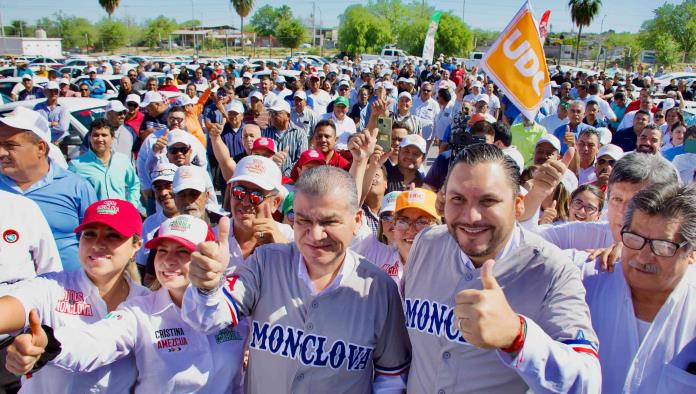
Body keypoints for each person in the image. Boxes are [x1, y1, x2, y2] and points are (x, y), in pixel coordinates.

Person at [182, 165, 411, 392]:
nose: (315, 235)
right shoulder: (265, 262)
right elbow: (206, 319)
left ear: (357, 220)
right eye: (303, 221)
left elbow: (391, 377)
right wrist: (206, 287)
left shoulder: (379, 289)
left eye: (329, 222)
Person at [404, 144, 601, 392]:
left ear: (518, 204)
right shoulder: (427, 243)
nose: (471, 216)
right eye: (458, 199)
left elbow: (587, 382)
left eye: (488, 201)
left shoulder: (552, 270)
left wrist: (517, 337)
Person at [7, 214, 248, 393]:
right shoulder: (141, 311)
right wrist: (49, 343)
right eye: (162, 250)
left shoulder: (237, 305)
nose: (168, 261)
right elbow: (96, 342)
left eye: (183, 252)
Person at [0, 199, 149, 393]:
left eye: (113, 235)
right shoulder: (51, 287)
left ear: (136, 245)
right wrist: (27, 349)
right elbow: (12, 307)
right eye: (89, 234)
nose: (97, 243)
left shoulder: (146, 303)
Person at [583, 183, 696, 393]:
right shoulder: (585, 284)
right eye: (634, 239)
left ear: (691, 253)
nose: (643, 257)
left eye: (663, 246)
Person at [0, 107, 97, 271]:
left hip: (68, 291)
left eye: (10, 145)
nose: (1, 152)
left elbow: (97, 243)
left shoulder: (77, 187)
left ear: (41, 148)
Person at [68, 119, 141, 210]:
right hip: (94, 219)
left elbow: (134, 184)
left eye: (104, 135)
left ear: (112, 138)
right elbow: (70, 194)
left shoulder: (122, 160)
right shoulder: (76, 165)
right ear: (90, 138)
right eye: (95, 135)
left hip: (120, 217)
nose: (99, 139)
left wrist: (131, 207)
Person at [261, 100, 309, 177]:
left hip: (291, 180)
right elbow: (261, 156)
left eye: (277, 113)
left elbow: (301, 159)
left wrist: (286, 175)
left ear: (288, 116)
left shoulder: (299, 133)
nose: (273, 116)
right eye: (271, 113)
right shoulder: (265, 133)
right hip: (269, 177)